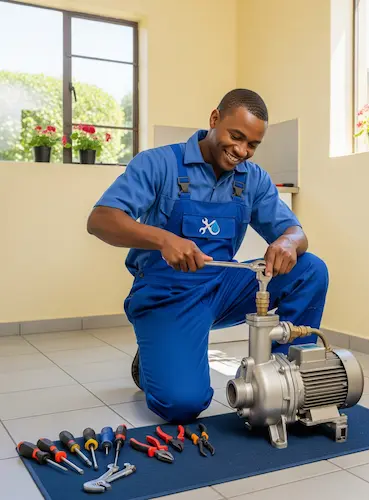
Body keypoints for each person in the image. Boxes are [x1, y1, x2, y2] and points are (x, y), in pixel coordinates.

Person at [87, 89, 329, 423]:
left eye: (253, 145)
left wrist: (289, 241)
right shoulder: (159, 164)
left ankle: (284, 378)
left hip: (223, 287)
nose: (242, 151)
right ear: (214, 119)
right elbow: (100, 220)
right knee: (183, 404)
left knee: (310, 268)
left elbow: (297, 232)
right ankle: (151, 364)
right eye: (236, 136)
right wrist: (163, 239)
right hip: (167, 295)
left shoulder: (252, 179)